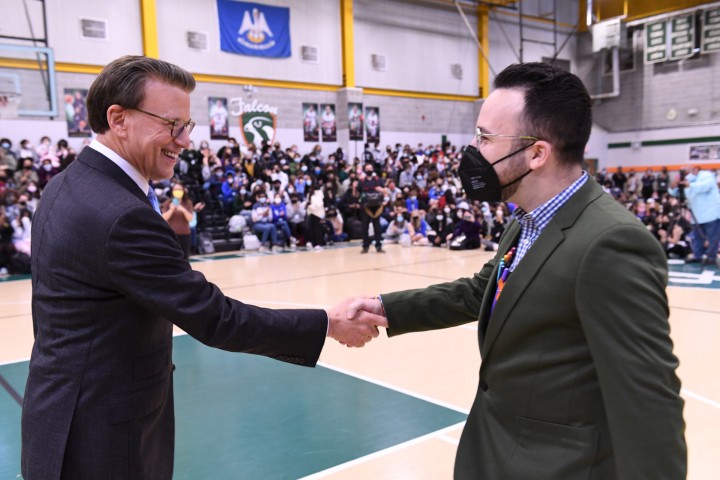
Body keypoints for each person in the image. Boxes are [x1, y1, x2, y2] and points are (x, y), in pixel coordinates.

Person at [21, 55, 385, 480]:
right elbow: (217, 319)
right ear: (118, 119)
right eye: (172, 124)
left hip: (60, 413)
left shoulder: (67, 184)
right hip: (102, 437)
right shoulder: (120, 214)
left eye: (187, 126)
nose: (184, 140)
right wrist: (328, 323)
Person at [349, 62, 686, 479]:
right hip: (497, 451)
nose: (473, 151)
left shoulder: (610, 243)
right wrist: (385, 307)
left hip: (558, 466)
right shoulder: (527, 219)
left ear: (537, 153)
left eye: (485, 138)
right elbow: (480, 291)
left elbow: (648, 402)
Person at [676, 166, 720, 266]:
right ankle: (698, 256)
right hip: (697, 215)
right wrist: (676, 184)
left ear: (696, 169)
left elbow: (705, 186)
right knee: (697, 237)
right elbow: (675, 191)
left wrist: (689, 184)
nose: (686, 173)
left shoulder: (706, 175)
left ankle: (710, 257)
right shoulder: (689, 179)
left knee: (713, 237)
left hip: (710, 214)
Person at [161, 182, 195, 259]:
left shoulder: (188, 203)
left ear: (183, 191)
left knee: (185, 257)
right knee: (172, 258)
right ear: (172, 191)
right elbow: (163, 218)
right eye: (175, 189)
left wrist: (183, 210)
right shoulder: (167, 203)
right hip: (171, 235)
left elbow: (190, 219)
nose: (178, 191)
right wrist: (171, 210)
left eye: (179, 189)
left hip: (185, 235)